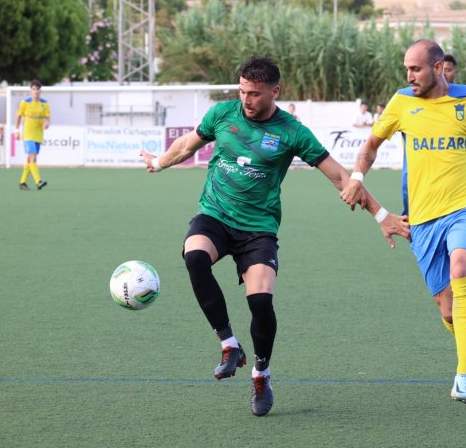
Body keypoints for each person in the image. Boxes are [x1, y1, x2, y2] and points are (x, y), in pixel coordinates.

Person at [139, 55, 409, 417]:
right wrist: (158, 163)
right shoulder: (223, 114)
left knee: (261, 302)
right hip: (215, 215)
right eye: (242, 91)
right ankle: (229, 344)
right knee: (194, 257)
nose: (246, 100)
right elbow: (187, 146)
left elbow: (340, 178)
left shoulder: (292, 131)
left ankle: (261, 373)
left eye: (254, 93)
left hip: (258, 229)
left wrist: (380, 213)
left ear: (274, 91)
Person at [340, 39, 466, 408]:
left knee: (461, 266)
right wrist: (357, 175)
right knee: (448, 311)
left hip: (465, 206)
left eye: (416, 68)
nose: (409, 76)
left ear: (438, 68)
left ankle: (464, 372)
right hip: (420, 218)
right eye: (406, 69)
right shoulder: (401, 102)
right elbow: (370, 145)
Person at [14, 80, 50, 190]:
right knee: (33, 156)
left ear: (41, 91)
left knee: (30, 158)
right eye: (33, 89)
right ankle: (38, 182)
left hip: (38, 134)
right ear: (31, 90)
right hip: (28, 133)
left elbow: (47, 118)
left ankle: (22, 182)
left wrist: (47, 123)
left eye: (38, 89)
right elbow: (18, 116)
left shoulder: (45, 104)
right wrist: (16, 130)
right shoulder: (25, 102)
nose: (36, 91)